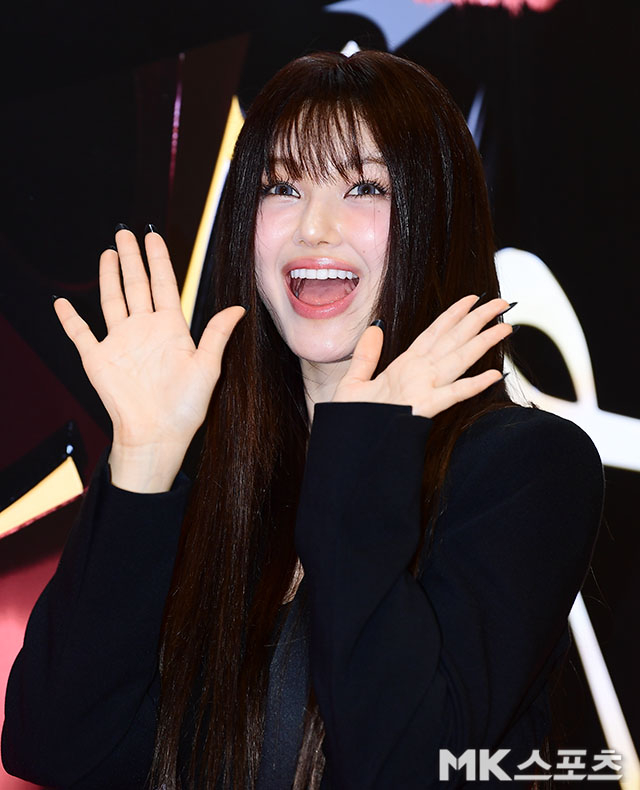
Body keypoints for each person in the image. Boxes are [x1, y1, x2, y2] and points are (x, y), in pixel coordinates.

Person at [2, 51, 603, 789]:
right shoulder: (211, 468)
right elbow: (51, 746)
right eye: (282, 187)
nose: (315, 229)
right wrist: (144, 460)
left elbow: (405, 766)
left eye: (364, 187)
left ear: (437, 221)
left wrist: (362, 449)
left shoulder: (522, 468)